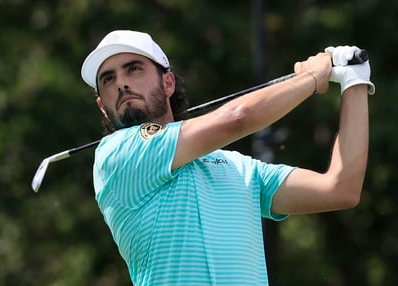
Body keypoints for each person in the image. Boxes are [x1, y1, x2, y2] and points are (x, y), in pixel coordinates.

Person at [80, 30, 375, 285]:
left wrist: (355, 84)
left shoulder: (237, 166)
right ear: (102, 107)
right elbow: (238, 118)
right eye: (108, 79)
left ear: (168, 83)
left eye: (133, 69)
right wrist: (312, 77)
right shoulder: (116, 155)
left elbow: (340, 188)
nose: (121, 83)